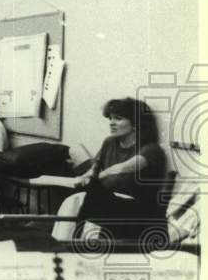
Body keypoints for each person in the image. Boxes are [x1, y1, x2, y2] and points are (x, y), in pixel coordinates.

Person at [53, 98, 168, 244]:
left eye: (118, 118)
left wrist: (96, 178)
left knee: (83, 199)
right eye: (110, 118)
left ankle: (72, 243)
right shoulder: (110, 142)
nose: (111, 123)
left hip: (134, 208)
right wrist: (82, 178)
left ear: (136, 124)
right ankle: (64, 242)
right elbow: (94, 169)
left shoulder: (151, 149)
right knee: (77, 198)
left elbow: (121, 169)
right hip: (106, 201)